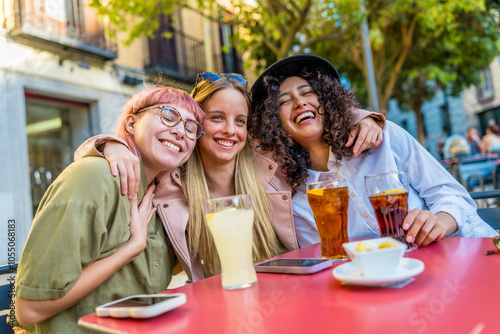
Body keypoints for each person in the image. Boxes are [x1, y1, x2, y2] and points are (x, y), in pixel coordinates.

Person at [74, 72, 385, 280]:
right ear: (194, 125)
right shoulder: (171, 181)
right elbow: (99, 152)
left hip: (296, 292)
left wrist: (363, 118)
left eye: (240, 121)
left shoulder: (269, 160)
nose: (229, 131)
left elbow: (307, 123)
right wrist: (110, 145)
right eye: (216, 118)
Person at [248, 54, 498, 248]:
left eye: (308, 93)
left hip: (468, 253)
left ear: (326, 99)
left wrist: (439, 222)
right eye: (283, 101)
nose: (299, 102)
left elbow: (454, 196)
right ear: (273, 121)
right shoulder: (293, 195)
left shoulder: (384, 138)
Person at [12, 86, 204, 333]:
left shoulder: (161, 197)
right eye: (168, 115)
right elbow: (29, 310)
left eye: (191, 128)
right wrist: (132, 247)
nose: (180, 131)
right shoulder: (93, 178)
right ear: (132, 124)